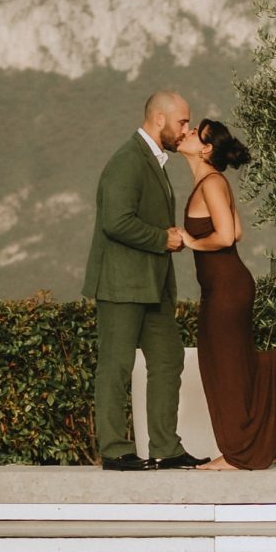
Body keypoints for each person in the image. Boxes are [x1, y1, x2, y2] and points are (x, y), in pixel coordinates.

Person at [177, 118, 276, 470]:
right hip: (227, 286)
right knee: (231, 366)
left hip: (226, 289)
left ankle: (239, 454)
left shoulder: (210, 182)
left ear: (206, 149)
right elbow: (237, 231)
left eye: (196, 132)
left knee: (225, 369)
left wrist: (191, 240)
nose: (188, 132)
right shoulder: (212, 182)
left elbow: (226, 237)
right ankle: (245, 448)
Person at [83, 92, 201, 473]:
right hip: (121, 284)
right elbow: (114, 221)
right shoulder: (127, 160)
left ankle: (166, 447)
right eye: (182, 122)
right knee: (115, 367)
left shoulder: (152, 160)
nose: (186, 129)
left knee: (168, 359)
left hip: (152, 286)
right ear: (159, 119)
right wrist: (162, 238)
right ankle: (115, 451)